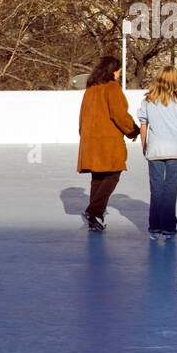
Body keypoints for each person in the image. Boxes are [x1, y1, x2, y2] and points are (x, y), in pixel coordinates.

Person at [77, 55, 139, 232]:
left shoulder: (91, 88)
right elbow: (119, 114)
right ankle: (94, 211)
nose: (120, 74)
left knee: (97, 177)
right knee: (113, 174)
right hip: (108, 140)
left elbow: (83, 115)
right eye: (119, 70)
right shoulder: (112, 88)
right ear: (113, 71)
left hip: (90, 139)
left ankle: (95, 218)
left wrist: (83, 134)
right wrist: (133, 130)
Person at [136, 65, 177, 240]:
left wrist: (144, 147)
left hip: (155, 149)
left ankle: (154, 228)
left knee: (156, 189)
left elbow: (143, 126)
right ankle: (169, 228)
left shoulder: (148, 100)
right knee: (171, 189)